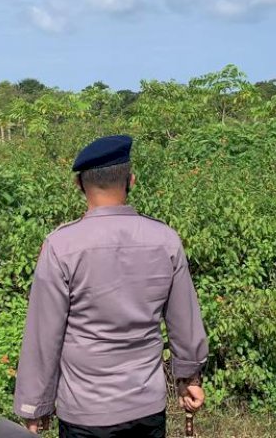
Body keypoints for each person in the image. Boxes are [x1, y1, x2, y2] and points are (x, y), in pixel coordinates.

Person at [13, 135, 208, 437]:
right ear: (131, 180)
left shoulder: (61, 246)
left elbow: (44, 336)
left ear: (79, 185)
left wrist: (35, 405)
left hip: (85, 412)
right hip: (146, 406)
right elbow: (185, 321)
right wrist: (189, 378)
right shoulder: (165, 239)